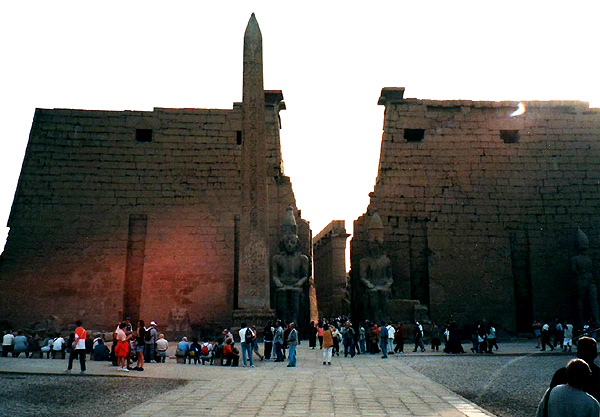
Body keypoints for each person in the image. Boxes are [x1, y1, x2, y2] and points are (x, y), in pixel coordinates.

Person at [549, 337, 600, 402]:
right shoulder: (598, 374)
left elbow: (550, 397)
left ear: (578, 353)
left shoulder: (561, 373)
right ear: (596, 354)